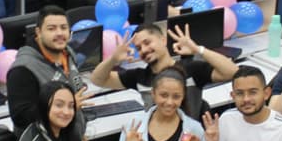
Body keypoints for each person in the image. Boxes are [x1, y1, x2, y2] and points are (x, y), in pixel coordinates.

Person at [91, 20, 237, 95]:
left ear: (163, 40)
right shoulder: (139, 77)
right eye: (138, 48)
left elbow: (232, 72)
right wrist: (112, 60)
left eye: (147, 43)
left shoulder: (191, 69)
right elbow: (97, 80)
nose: (144, 50)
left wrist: (198, 49)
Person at [7, 5, 89, 130]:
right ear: (38, 32)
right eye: (52, 29)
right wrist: (66, 107)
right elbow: (21, 117)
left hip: (72, 138)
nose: (60, 33)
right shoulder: (23, 69)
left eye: (64, 28)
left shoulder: (68, 53)